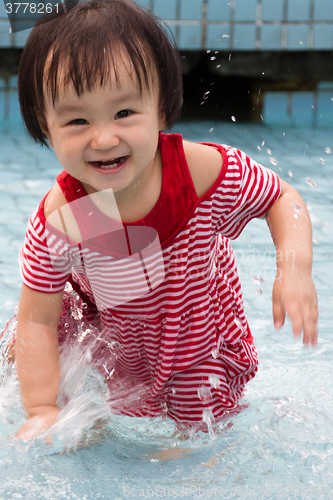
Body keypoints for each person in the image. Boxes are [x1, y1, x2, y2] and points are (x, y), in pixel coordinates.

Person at [3, 0, 317, 441]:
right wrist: (40, 409)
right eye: (76, 120)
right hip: (113, 323)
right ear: (45, 125)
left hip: (194, 327)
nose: (104, 137)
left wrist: (294, 268)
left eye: (124, 113)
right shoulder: (62, 217)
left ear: (162, 107)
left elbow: (283, 197)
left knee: (200, 424)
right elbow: (37, 317)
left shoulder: (198, 173)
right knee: (20, 339)